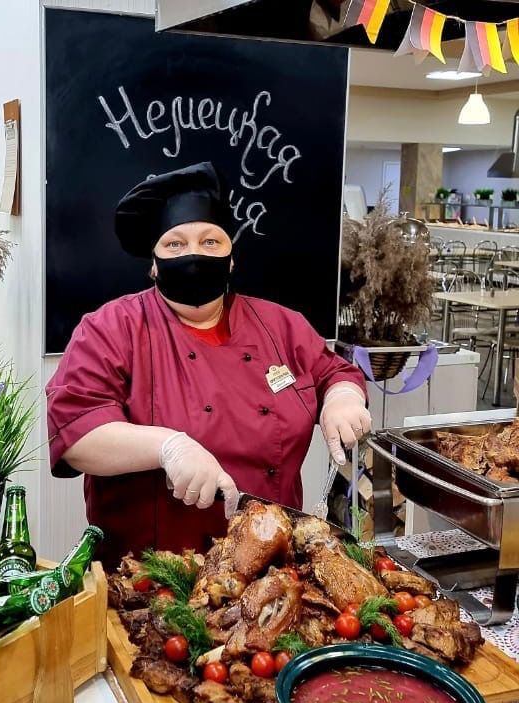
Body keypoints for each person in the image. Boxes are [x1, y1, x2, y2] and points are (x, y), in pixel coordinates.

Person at [46, 162, 370, 569]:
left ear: (231, 258)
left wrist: (342, 398)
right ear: (153, 263)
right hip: (151, 576)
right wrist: (167, 447)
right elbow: (76, 431)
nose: (194, 254)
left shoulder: (281, 325)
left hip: (270, 570)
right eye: (175, 244)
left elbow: (334, 373)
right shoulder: (111, 328)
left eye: (211, 241)